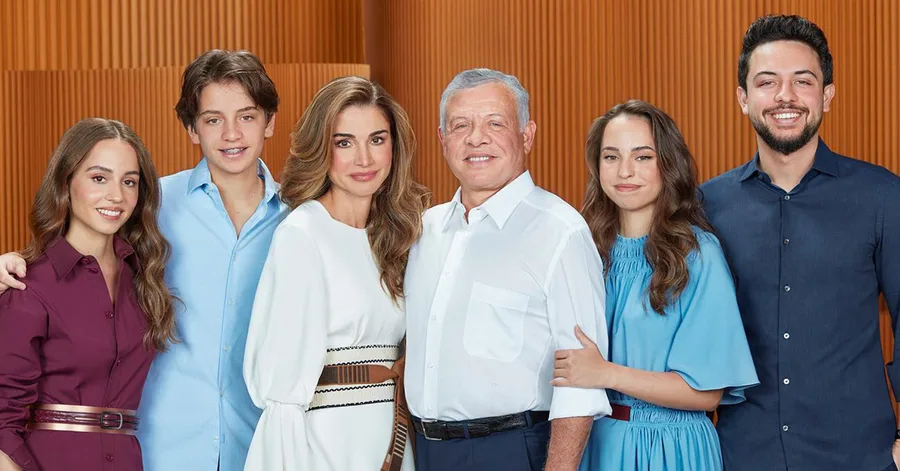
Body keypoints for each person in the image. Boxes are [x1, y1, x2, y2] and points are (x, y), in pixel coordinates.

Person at [0, 49, 287, 471]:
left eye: (246, 116)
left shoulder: (299, 225)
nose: (231, 134)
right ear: (191, 128)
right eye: (212, 119)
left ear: (270, 122)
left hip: (257, 448)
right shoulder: (148, 206)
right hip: (155, 450)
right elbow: (71, 264)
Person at [700, 15, 900, 471]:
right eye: (767, 82)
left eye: (802, 81)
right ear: (743, 98)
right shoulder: (706, 207)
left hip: (858, 458)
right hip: (741, 457)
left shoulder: (883, 197)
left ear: (827, 96)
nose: (785, 97)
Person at [403, 68, 611, 471]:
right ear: (442, 139)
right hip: (424, 451)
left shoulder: (560, 231)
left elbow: (580, 385)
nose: (476, 138)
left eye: (495, 123)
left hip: (512, 450)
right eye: (460, 125)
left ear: (527, 135)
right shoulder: (422, 231)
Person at [550, 100, 758, 471]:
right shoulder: (585, 249)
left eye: (642, 157)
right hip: (593, 441)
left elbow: (706, 392)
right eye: (611, 157)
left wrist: (605, 373)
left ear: (668, 164)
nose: (625, 171)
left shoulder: (696, 254)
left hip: (668, 446)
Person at [242, 76, 428, 471]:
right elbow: (284, 387)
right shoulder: (302, 234)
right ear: (321, 150)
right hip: (324, 443)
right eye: (344, 143)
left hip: (391, 436)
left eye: (377, 140)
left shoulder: (398, 235)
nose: (364, 159)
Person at [0, 118, 176, 471]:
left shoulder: (144, 280)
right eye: (99, 178)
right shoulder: (28, 285)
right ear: (66, 183)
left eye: (130, 182)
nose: (116, 195)